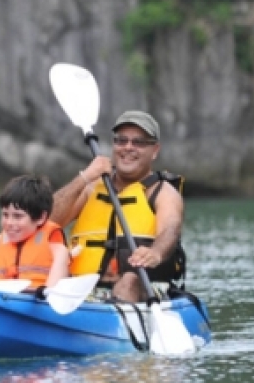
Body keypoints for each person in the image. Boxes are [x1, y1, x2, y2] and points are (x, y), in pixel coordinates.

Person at [50, 110, 186, 303]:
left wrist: (156, 252)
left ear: (155, 150)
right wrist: (83, 178)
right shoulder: (91, 188)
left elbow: (170, 230)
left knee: (129, 279)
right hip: (82, 289)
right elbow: (48, 221)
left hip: (144, 289)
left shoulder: (163, 192)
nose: (128, 147)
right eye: (121, 141)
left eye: (138, 142)